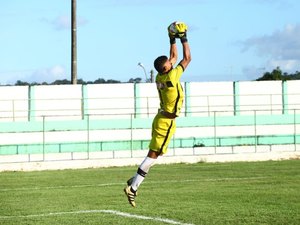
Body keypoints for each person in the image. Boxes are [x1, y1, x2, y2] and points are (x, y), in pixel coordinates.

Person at [124, 22, 191, 207]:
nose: (172, 60)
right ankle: (134, 187)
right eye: (170, 62)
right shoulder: (171, 76)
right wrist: (183, 36)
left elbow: (174, 56)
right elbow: (187, 58)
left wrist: (171, 38)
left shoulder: (163, 76)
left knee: (153, 153)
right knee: (154, 155)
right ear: (167, 68)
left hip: (160, 118)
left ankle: (135, 179)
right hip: (166, 122)